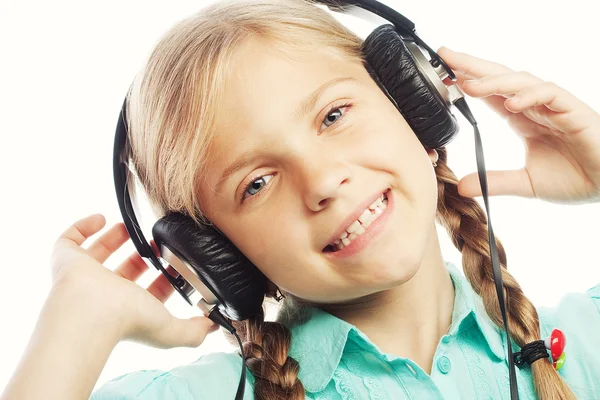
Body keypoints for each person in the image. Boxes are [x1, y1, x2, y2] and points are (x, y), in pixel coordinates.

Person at [3, 0, 600, 398]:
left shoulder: (582, 336)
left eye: (333, 115)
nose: (320, 182)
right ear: (220, 258)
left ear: (414, 105)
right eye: (256, 184)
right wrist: (76, 323)